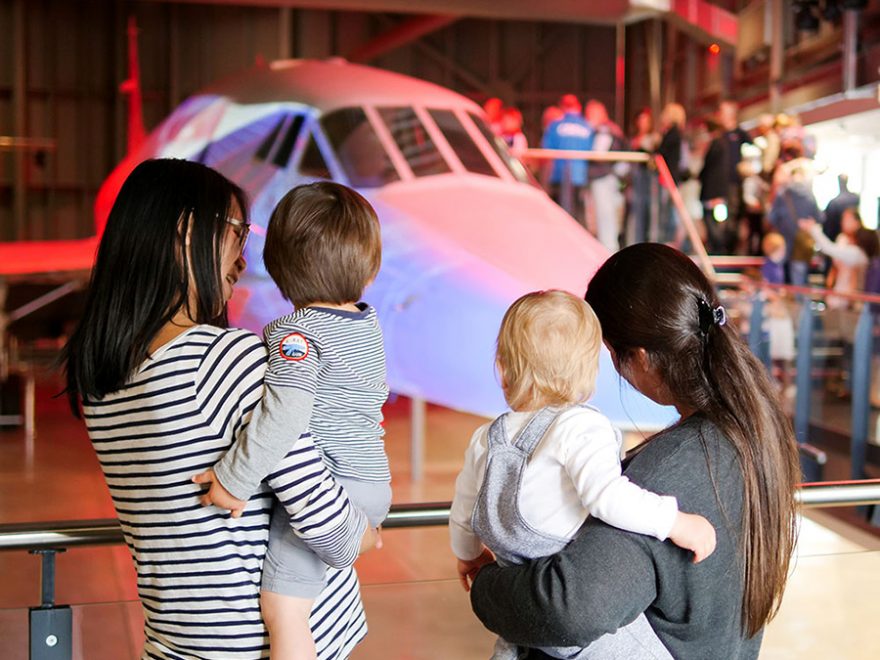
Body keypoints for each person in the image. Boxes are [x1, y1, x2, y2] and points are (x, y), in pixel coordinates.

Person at [60, 159, 377, 659]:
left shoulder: (102, 377)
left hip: (179, 641)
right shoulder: (222, 358)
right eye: (236, 233)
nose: (244, 258)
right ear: (187, 231)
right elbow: (326, 523)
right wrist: (363, 534)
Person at [468, 243, 800, 659]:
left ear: (641, 358)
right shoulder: (750, 431)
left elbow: (569, 611)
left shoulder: (670, 471)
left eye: (609, 354)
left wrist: (486, 583)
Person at [450, 290, 716, 660]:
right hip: (573, 612)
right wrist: (675, 521)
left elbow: (464, 509)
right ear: (588, 369)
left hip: (522, 608)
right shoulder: (580, 426)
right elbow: (608, 497)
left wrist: (468, 555)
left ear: (503, 368)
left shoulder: (487, 438)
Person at [194, 182, 391, 660]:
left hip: (334, 483)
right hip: (374, 481)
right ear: (370, 272)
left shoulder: (294, 335)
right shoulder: (368, 325)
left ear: (278, 270)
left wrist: (233, 479)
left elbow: (285, 412)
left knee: (284, 612)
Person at [541, 94, 593, 225]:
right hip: (580, 176)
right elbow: (593, 148)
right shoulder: (588, 127)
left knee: (558, 216)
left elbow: (546, 148)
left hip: (559, 175)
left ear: (562, 106)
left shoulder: (555, 126)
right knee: (579, 214)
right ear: (578, 106)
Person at [767, 163, 822, 285]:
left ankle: (782, 302)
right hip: (801, 245)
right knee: (799, 280)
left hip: (782, 245)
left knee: (778, 278)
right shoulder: (810, 196)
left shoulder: (782, 194)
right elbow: (819, 218)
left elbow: (771, 217)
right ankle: (800, 302)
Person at [585, 100, 628, 251]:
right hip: (610, 177)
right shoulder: (611, 130)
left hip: (603, 176)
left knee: (604, 215)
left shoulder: (603, 131)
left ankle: (607, 249)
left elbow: (599, 153)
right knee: (607, 215)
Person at [761, 233, 795, 396]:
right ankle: (776, 381)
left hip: (778, 308)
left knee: (780, 347)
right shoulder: (770, 267)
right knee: (777, 346)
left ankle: (781, 381)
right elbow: (767, 288)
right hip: (776, 310)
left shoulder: (775, 266)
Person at [656, 103, 688, 247]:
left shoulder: (672, 134)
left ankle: (673, 240)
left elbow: (661, 152)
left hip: (669, 178)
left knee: (670, 211)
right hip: (671, 177)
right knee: (671, 210)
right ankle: (674, 240)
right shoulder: (676, 134)